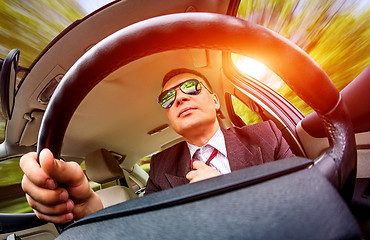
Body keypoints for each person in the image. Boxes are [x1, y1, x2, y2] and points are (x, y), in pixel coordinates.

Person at [20, 68, 294, 224]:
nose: (179, 98)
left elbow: (301, 196)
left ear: (214, 101)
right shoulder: (161, 166)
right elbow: (145, 224)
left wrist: (228, 191)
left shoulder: (266, 135)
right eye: (167, 98)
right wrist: (94, 211)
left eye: (190, 86)